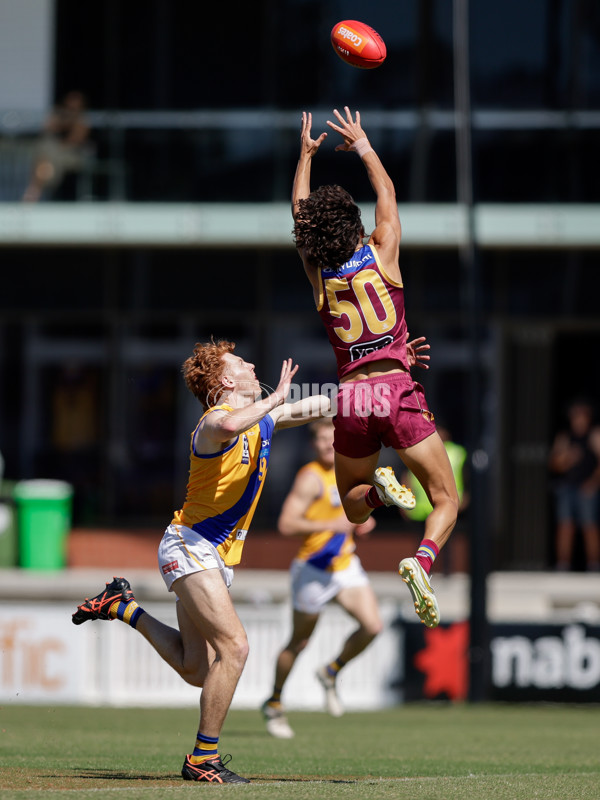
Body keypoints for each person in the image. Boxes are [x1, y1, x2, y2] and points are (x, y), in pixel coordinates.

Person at [72, 339, 331, 784]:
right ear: (227, 381)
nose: (253, 364)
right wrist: (273, 399)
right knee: (236, 648)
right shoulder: (212, 423)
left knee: (197, 669)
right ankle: (202, 760)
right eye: (241, 363)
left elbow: (318, 406)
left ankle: (122, 606)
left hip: (205, 553)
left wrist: (376, 385)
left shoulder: (260, 419)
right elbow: (229, 425)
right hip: (190, 546)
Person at [292, 107, 459, 628]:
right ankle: (423, 560)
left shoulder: (320, 276)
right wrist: (363, 145)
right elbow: (387, 194)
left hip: (352, 399)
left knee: (353, 507)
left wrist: (305, 157)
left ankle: (380, 490)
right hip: (397, 388)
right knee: (445, 499)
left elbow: (299, 213)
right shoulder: (382, 250)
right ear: (356, 223)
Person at [261, 418, 379, 738]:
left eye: (334, 439)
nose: (329, 445)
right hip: (313, 568)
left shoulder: (350, 472)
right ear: (314, 445)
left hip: (344, 565)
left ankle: (331, 671)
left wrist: (361, 522)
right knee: (299, 642)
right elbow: (286, 524)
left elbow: (355, 515)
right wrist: (331, 526)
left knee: (372, 626)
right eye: (323, 440)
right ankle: (274, 703)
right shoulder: (310, 477)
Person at [549, 398, 600, 571]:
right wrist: (569, 457)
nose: (578, 420)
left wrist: (593, 484)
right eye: (575, 416)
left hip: (587, 488)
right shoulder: (565, 437)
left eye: (581, 416)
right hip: (567, 486)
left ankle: (593, 565)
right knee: (565, 526)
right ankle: (563, 564)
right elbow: (554, 463)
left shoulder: (594, 435)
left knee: (589, 526)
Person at [22, 90, 90, 202]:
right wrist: (62, 119)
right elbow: (46, 129)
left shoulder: (84, 120)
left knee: (47, 154)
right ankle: (40, 188)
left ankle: (34, 191)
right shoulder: (58, 115)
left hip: (73, 156)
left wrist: (71, 121)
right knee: (46, 149)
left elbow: (74, 141)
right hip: (53, 156)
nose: (71, 107)